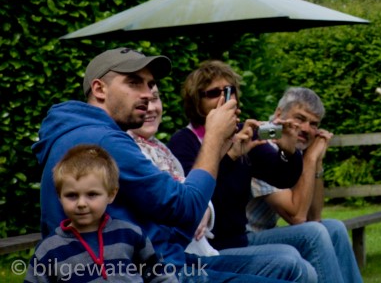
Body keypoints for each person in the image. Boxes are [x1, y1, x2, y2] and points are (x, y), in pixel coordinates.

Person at [32, 47, 306, 283]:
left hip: (164, 260)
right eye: (134, 83)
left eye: (150, 85)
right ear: (99, 89)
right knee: (292, 272)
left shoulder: (81, 132)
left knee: (288, 265)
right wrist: (212, 139)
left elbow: (171, 221)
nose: (147, 94)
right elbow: (184, 209)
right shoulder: (104, 139)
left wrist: (221, 145)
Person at [168, 61, 312, 278]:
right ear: (197, 102)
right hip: (211, 246)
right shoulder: (184, 142)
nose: (223, 99)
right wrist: (231, 156)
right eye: (213, 93)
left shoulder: (244, 133)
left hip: (242, 238)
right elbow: (196, 203)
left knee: (317, 232)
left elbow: (283, 177)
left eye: (229, 91)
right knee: (290, 259)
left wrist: (289, 152)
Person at [246, 87, 363, 283]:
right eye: (299, 119)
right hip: (241, 239)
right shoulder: (263, 144)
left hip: (263, 233)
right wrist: (309, 160)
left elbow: (313, 217)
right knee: (313, 234)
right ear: (278, 114)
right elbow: (297, 217)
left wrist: (316, 162)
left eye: (314, 124)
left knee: (334, 228)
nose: (307, 129)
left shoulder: (293, 145)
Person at [26, 144, 177, 283]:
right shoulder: (49, 250)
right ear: (59, 196)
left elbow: (158, 276)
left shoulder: (130, 235)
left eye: (92, 194)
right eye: (72, 195)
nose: (81, 204)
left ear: (111, 194)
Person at [129, 88, 219, 258]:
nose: (150, 108)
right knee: (282, 259)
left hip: (200, 253)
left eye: (155, 98)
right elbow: (174, 205)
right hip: (176, 262)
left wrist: (205, 207)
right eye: (141, 101)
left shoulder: (160, 147)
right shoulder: (129, 151)